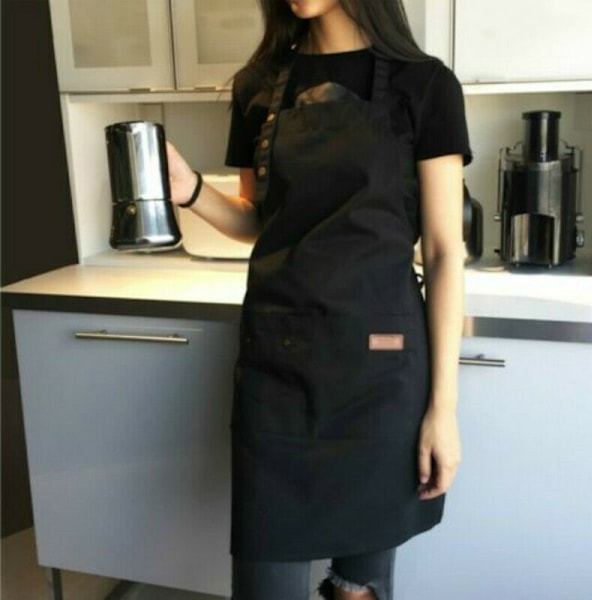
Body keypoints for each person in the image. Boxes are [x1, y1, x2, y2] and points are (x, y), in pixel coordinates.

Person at [167, 1, 471, 598]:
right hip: (278, 369)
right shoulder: (258, 87)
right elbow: (261, 222)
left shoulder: (425, 84)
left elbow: (441, 252)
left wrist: (443, 410)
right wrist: (192, 190)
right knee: (264, 581)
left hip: (380, 377)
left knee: (360, 586)